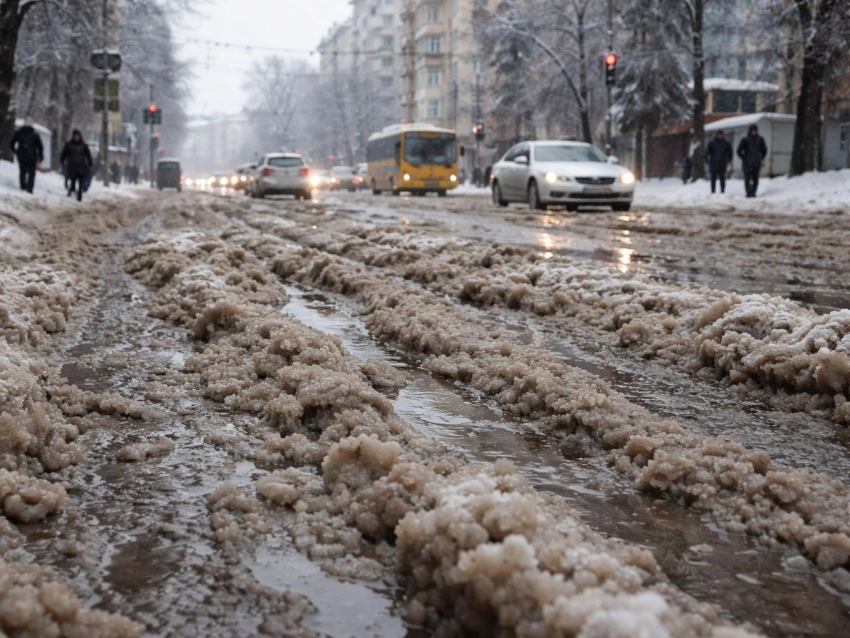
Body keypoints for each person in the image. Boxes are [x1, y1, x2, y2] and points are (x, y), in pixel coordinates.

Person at [9, 118, 44, 193]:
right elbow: (40, 147)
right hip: (30, 156)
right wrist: (40, 156)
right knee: (28, 172)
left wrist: (16, 151)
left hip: (26, 156)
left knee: (24, 171)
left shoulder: (21, 133)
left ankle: (25, 187)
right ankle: (28, 188)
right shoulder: (33, 134)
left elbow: (12, 144)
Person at [60, 130, 93, 202]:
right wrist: (62, 161)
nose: (76, 137)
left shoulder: (83, 146)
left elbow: (88, 155)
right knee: (72, 179)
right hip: (72, 166)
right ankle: (71, 191)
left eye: (78, 136)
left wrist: (90, 163)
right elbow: (64, 153)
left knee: (81, 180)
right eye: (75, 136)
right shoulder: (69, 145)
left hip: (81, 166)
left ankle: (79, 194)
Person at [737, 124, 768, 198]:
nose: (754, 132)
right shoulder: (745, 140)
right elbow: (739, 150)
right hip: (747, 163)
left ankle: (753, 192)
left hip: (757, 162)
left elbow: (764, 150)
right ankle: (748, 192)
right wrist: (744, 157)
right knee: (747, 178)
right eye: (752, 131)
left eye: (755, 131)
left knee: (755, 179)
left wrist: (761, 157)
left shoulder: (760, 139)